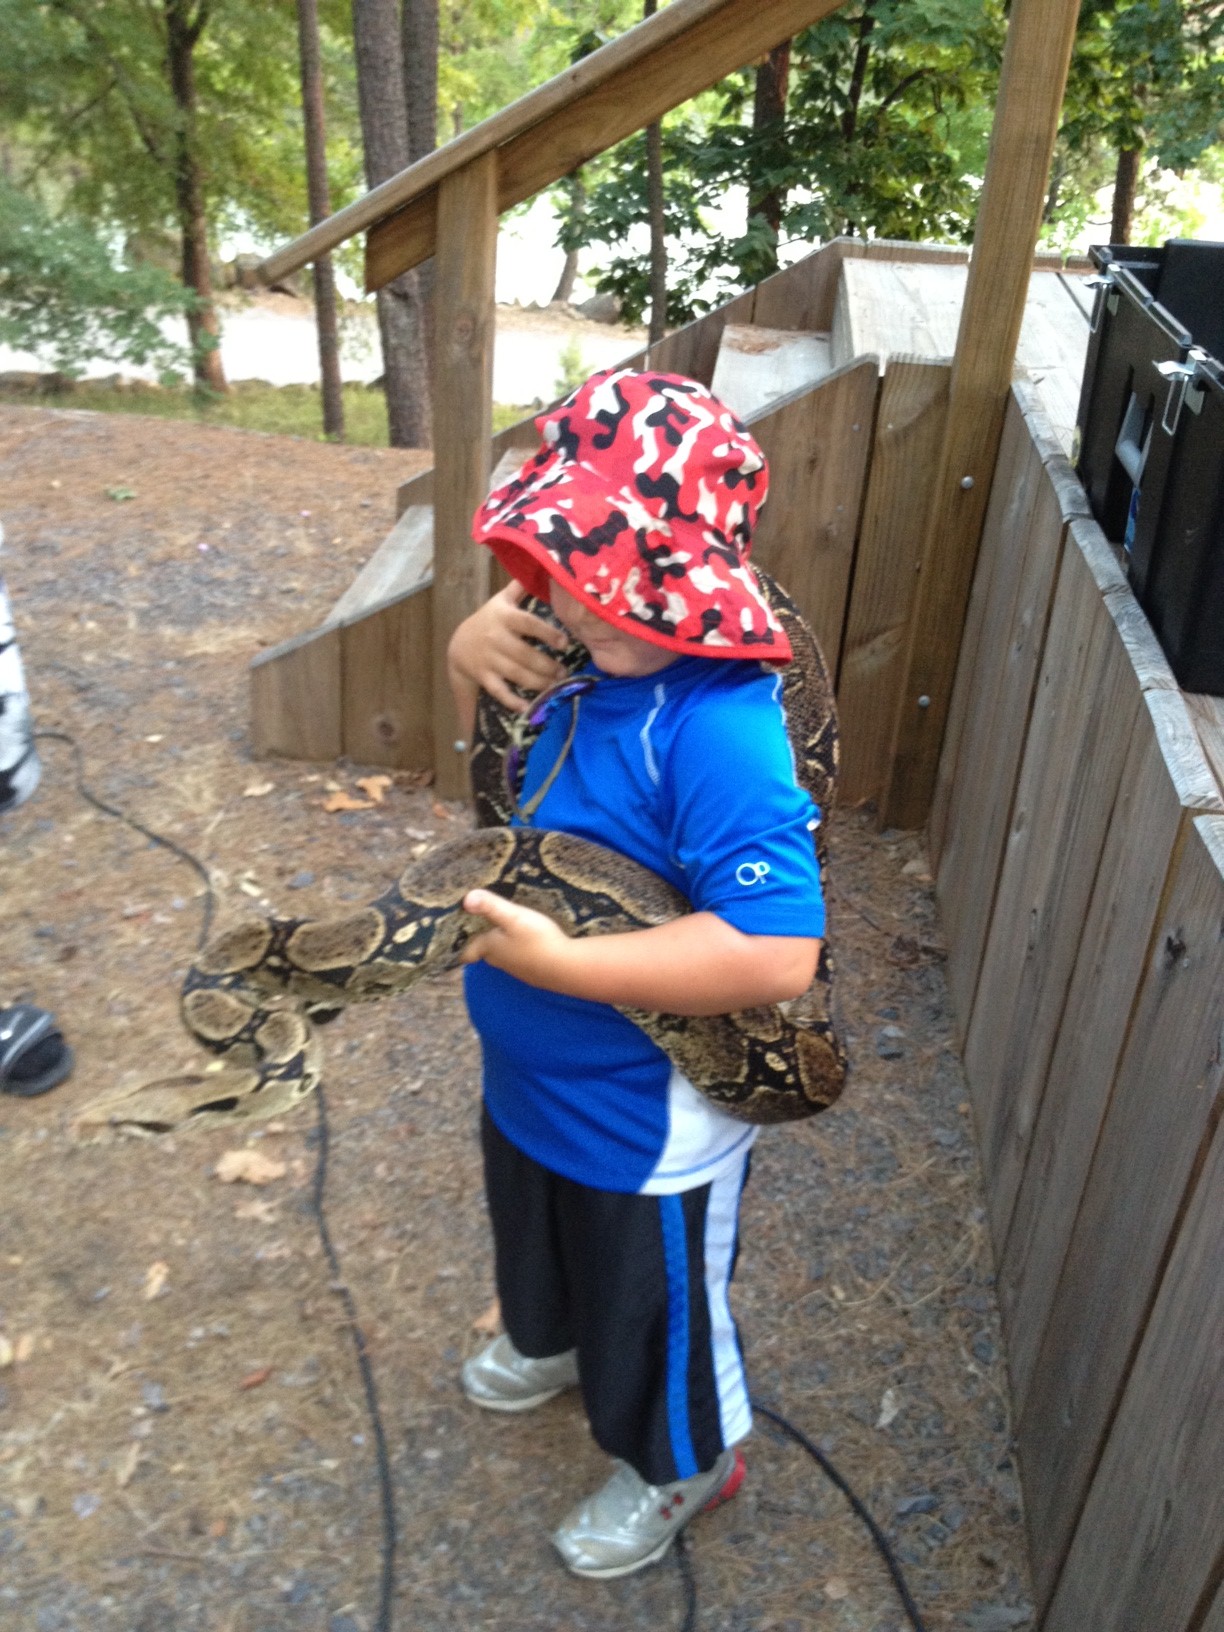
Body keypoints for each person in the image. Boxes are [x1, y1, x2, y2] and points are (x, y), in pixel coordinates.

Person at [447, 369, 826, 1579]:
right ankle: (550, 1338)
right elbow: (505, 752)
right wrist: (465, 642)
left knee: (649, 1307)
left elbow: (776, 949)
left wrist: (567, 962)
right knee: (540, 1241)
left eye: (629, 577)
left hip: (649, 1125)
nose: (593, 601)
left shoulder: (718, 725)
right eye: (568, 563)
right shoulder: (570, 654)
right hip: (533, 1081)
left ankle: (688, 1462)